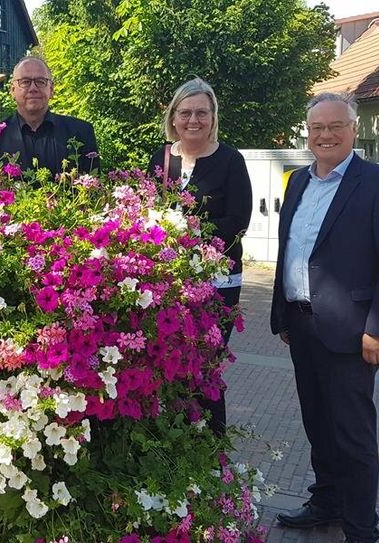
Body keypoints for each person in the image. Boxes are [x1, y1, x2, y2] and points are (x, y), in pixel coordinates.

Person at [270, 92, 379, 543]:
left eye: (335, 126)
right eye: (317, 128)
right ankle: (326, 502)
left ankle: (360, 530)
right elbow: (292, 250)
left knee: (352, 435)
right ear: (307, 132)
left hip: (354, 333)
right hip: (302, 324)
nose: (325, 135)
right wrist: (286, 314)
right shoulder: (297, 182)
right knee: (318, 424)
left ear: (353, 129)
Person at [148, 77, 253, 435]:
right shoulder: (161, 157)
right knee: (168, 364)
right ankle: (174, 442)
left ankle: (211, 447)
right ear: (173, 117)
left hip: (217, 282)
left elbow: (238, 221)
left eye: (202, 113)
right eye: (186, 112)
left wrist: (187, 228)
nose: (194, 120)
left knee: (205, 365)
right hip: (169, 281)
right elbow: (147, 213)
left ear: (213, 117)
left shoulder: (229, 160)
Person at [0, 56, 99, 177]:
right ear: (13, 90)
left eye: (40, 81)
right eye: (25, 82)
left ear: (51, 89)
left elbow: (93, 189)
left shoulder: (81, 132)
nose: (33, 88)